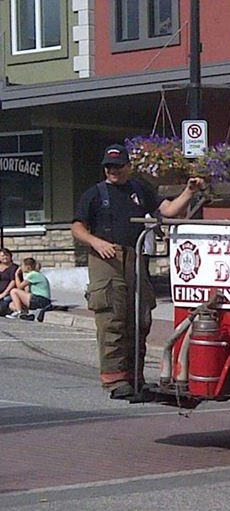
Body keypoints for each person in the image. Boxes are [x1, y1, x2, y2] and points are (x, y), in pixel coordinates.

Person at [72, 143, 201, 399]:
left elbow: (168, 211)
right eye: (109, 166)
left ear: (128, 166)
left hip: (136, 258)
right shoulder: (94, 194)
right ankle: (114, 380)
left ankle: (134, 377)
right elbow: (77, 227)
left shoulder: (140, 189)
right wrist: (97, 242)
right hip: (106, 260)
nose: (113, 171)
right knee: (112, 318)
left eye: (118, 166)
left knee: (139, 318)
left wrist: (189, 192)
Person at [0, 248, 19, 315]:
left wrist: (4, 293)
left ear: (10, 256)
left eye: (7, 255)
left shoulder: (14, 267)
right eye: (2, 256)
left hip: (8, 293)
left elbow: (13, 281)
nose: (5, 257)